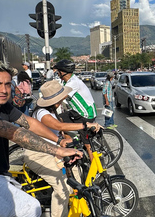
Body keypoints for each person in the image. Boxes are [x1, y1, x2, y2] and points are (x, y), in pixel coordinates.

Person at [0, 63, 81, 217]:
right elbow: (15, 133)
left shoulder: (3, 106)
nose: (4, 90)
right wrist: (59, 150)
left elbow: (28, 122)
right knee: (29, 208)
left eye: (7, 84)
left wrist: (58, 140)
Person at [26, 81, 102, 217]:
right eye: (61, 98)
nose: (63, 99)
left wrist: (69, 140)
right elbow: (58, 126)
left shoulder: (53, 110)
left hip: (53, 151)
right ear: (55, 101)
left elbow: (61, 132)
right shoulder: (42, 113)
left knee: (77, 180)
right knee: (63, 189)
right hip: (39, 154)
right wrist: (86, 125)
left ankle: (76, 211)